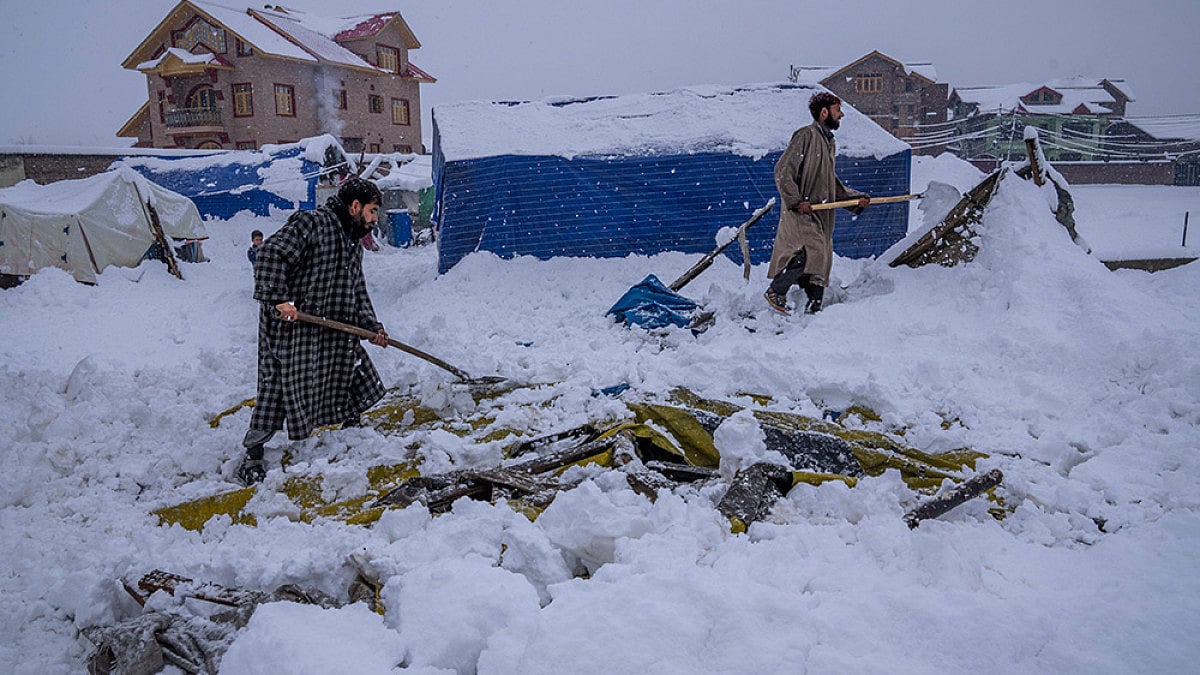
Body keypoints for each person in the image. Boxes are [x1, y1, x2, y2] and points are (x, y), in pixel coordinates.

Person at [237, 178, 391, 485]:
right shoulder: (313, 222)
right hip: (295, 325)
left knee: (347, 367)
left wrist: (371, 325)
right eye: (372, 211)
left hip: (333, 324)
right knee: (281, 385)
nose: (374, 219)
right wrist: (280, 299)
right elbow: (270, 254)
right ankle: (253, 453)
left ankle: (350, 421)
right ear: (355, 206)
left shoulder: (351, 240)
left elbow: (355, 288)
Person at [764, 92, 870, 315]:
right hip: (800, 213)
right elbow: (783, 171)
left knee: (821, 258)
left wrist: (856, 200)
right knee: (815, 250)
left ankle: (815, 307)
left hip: (819, 214)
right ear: (824, 112)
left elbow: (832, 185)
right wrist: (795, 201)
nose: (841, 114)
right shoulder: (806, 136)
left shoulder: (828, 143)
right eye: (837, 109)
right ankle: (776, 290)